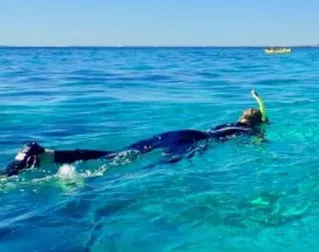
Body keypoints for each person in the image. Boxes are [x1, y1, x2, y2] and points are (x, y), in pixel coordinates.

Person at [3, 90, 270, 178]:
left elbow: (259, 112)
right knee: (141, 164)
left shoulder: (229, 123)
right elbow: (260, 133)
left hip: (178, 132)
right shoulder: (246, 130)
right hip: (192, 140)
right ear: (254, 122)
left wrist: (257, 102)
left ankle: (46, 154)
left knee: (119, 154)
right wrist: (262, 134)